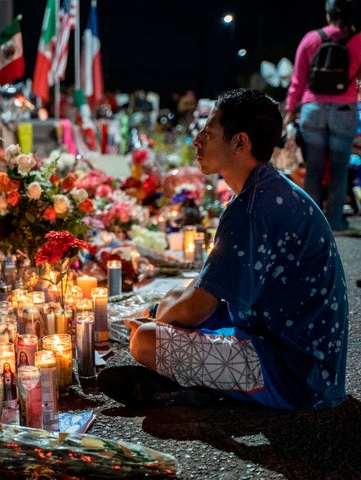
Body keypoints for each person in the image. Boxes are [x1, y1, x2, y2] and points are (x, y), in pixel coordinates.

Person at [99, 88, 348, 410]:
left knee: (145, 339)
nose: (197, 140)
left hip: (297, 375)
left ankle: (195, 387)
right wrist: (166, 313)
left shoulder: (253, 206)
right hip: (297, 348)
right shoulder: (267, 189)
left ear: (240, 142)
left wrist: (161, 323)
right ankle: (188, 383)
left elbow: (198, 305)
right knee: (166, 307)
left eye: (209, 132)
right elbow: (207, 287)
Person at [284, 0, 361, 234]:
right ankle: (336, 221)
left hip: (313, 108)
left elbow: (297, 79)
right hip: (344, 109)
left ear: (328, 14)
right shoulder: (358, 41)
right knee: (339, 168)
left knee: (314, 167)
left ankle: (312, 222)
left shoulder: (311, 39)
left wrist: (289, 109)